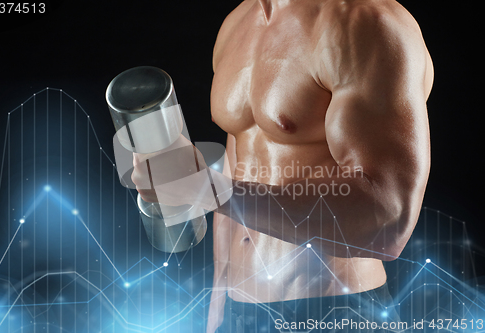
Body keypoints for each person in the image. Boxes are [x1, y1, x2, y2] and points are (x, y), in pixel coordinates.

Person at [133, 0, 433, 331]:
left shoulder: (367, 23)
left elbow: (388, 222)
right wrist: (217, 304)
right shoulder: (239, 22)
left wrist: (207, 189)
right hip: (241, 309)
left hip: (332, 311)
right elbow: (239, 168)